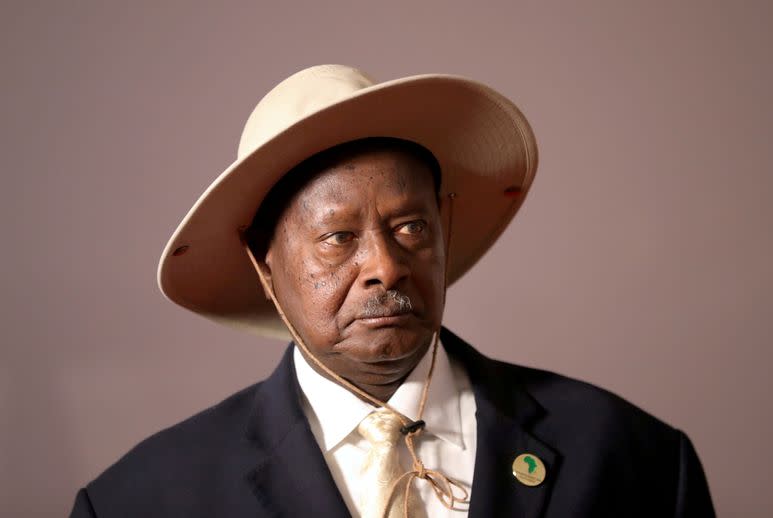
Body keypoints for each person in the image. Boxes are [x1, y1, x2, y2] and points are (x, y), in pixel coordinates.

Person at [69, 64, 715, 517]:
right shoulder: (141, 500)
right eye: (337, 238)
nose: (386, 265)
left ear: (444, 229)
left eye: (410, 226)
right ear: (264, 268)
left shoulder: (635, 459)